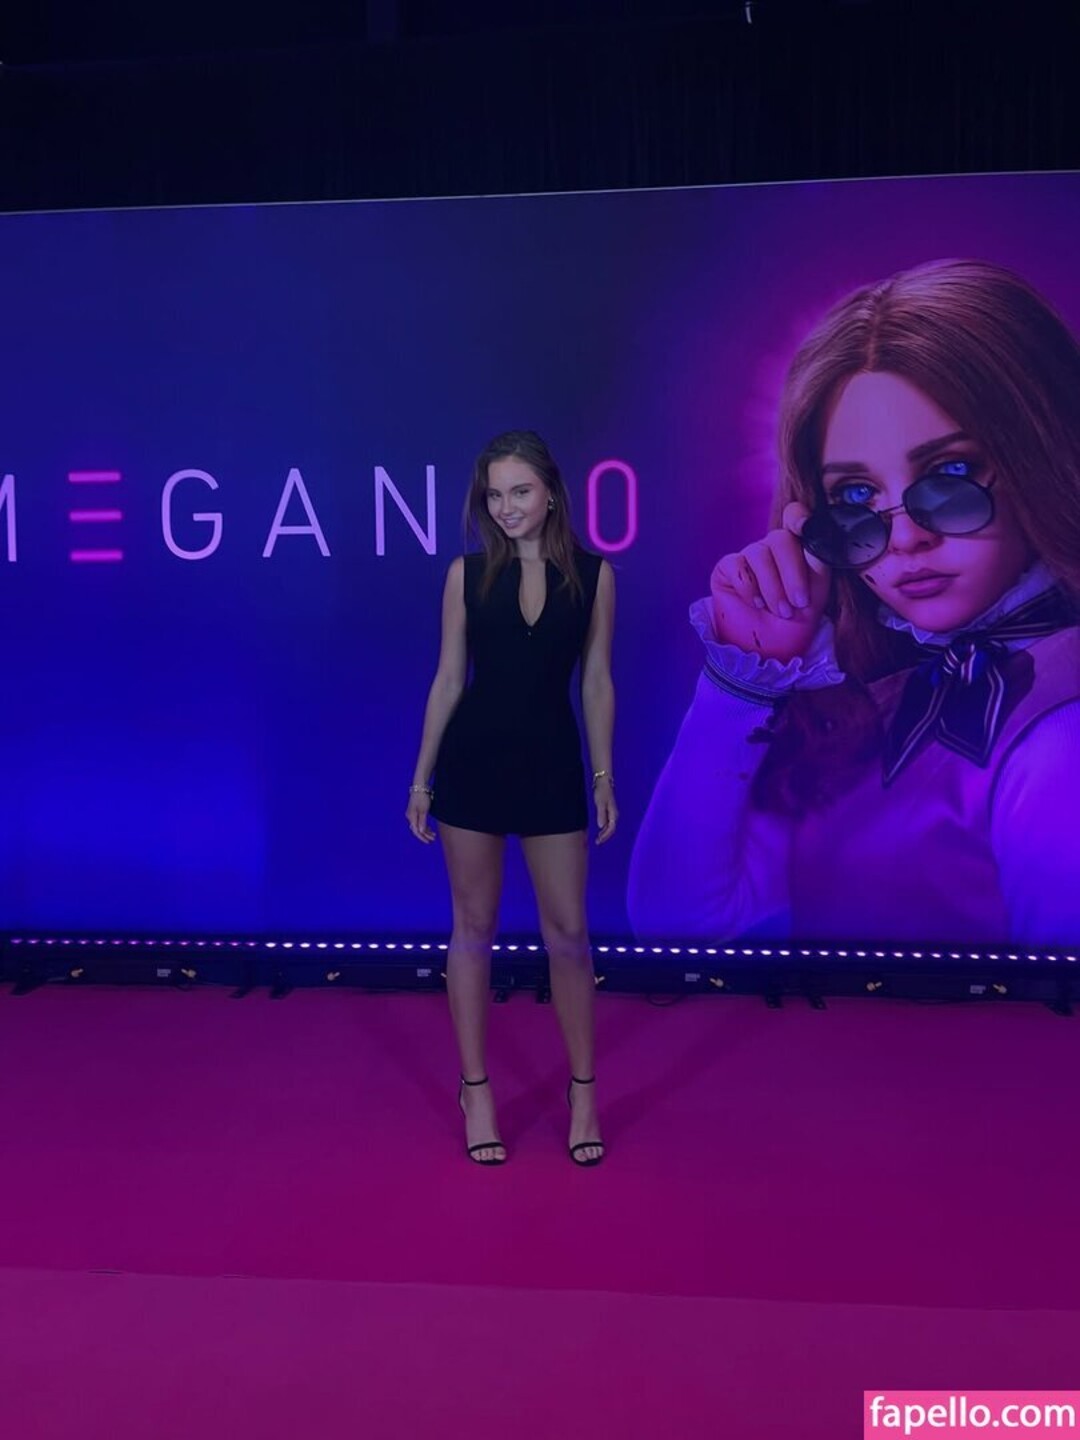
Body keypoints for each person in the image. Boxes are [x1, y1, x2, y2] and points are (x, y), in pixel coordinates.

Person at [628, 259, 1080, 946]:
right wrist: (742, 681)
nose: (905, 538)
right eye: (857, 497)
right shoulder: (876, 699)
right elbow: (680, 929)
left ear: (1041, 455)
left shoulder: (1059, 736)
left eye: (952, 473)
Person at [407, 430, 617, 1165]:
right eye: (494, 496)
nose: (506, 507)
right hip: (473, 765)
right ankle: (477, 1091)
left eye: (520, 491)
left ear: (551, 493)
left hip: (553, 766)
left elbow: (596, 681)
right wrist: (421, 779)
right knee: (472, 928)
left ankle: (584, 1093)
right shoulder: (464, 576)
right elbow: (447, 680)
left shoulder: (594, 576)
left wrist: (603, 775)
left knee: (569, 934)